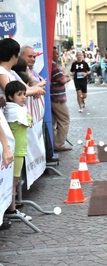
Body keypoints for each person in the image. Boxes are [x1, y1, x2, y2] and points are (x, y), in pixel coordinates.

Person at [4, 81, 32, 221]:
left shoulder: (12, 109)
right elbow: (28, 122)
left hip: (17, 149)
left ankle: (11, 207)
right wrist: (27, 112)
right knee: (13, 181)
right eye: (19, 95)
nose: (23, 97)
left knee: (13, 180)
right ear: (10, 97)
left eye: (24, 94)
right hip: (17, 150)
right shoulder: (15, 110)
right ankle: (12, 209)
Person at [51, 47, 72, 151]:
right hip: (57, 98)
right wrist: (67, 78)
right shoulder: (53, 65)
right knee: (64, 120)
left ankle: (53, 142)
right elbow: (62, 80)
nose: (57, 54)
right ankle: (58, 144)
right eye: (55, 53)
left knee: (53, 121)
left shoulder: (50, 64)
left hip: (53, 97)